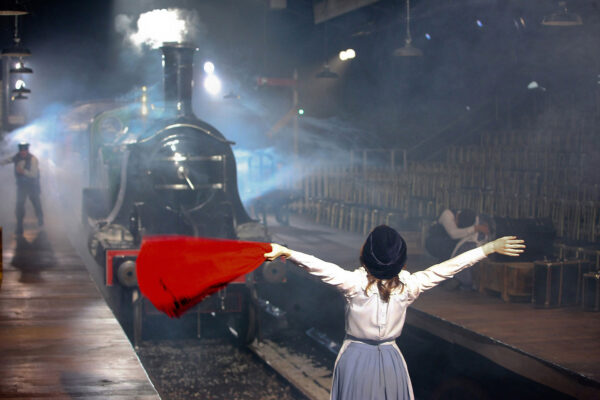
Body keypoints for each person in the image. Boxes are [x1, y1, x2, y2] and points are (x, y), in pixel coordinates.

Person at [264, 225, 524, 400]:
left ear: (365, 257)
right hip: (390, 358)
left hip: (356, 357)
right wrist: (487, 249)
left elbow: (319, 267)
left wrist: (287, 252)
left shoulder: (354, 284)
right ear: (401, 261)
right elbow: (448, 268)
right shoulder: (409, 286)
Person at [0, 142, 44, 235]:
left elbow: (34, 174)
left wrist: (23, 171)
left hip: (32, 186)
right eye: (21, 151)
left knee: (36, 204)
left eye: (24, 151)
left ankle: (41, 221)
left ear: (27, 151)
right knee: (19, 206)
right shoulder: (17, 157)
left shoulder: (33, 159)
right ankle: (19, 226)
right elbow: (7, 160)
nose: (22, 152)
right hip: (21, 187)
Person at [425, 208, 489, 262]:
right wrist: (475, 228)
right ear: (457, 216)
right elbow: (453, 234)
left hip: (451, 243)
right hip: (434, 241)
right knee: (447, 246)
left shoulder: (472, 218)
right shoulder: (447, 214)